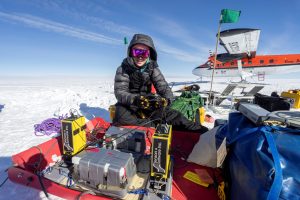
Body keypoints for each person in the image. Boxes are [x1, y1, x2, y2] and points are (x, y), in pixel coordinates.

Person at [113, 33, 208, 134]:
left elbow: (163, 87)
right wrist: (135, 100)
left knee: (173, 116)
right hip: (130, 103)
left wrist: (166, 100)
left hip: (148, 101)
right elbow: (120, 92)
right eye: (137, 52)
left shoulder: (152, 68)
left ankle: (201, 131)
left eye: (144, 53)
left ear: (149, 54)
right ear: (131, 52)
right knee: (120, 118)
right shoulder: (123, 68)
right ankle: (154, 125)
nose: (140, 57)